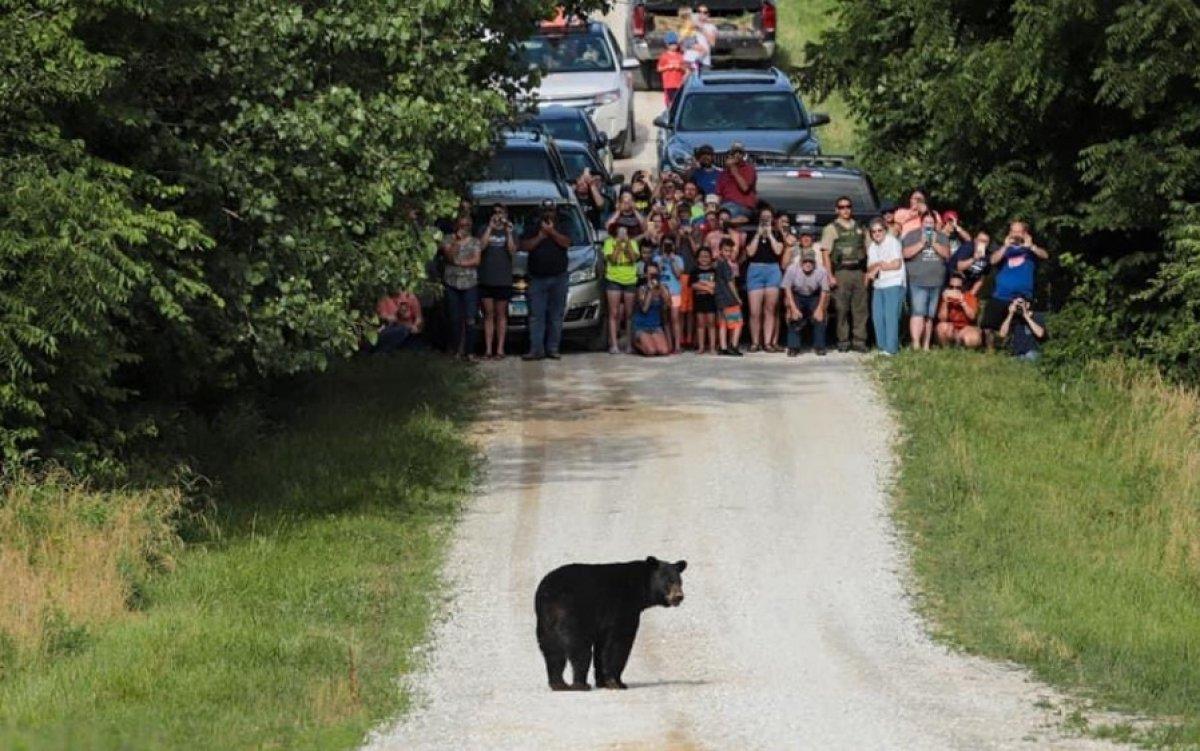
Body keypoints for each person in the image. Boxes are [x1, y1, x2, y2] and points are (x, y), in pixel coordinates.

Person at [981, 221, 1050, 350]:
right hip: (1000, 295)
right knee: (988, 326)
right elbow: (992, 260)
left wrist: (1031, 247)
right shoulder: (1006, 249)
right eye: (1013, 231)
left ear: (1025, 233)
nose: (1015, 234)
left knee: (1019, 326)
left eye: (1018, 231)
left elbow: (1045, 255)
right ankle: (990, 352)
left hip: (1021, 296)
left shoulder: (1030, 251)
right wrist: (1004, 247)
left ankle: (1015, 350)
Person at [520, 201, 572, 361]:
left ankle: (553, 349)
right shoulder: (533, 226)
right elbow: (524, 246)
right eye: (545, 210)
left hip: (559, 277)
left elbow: (567, 243)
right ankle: (536, 349)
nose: (548, 213)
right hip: (537, 278)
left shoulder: (564, 224)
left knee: (556, 315)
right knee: (536, 316)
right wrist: (541, 235)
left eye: (551, 210)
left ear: (555, 211)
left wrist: (552, 232)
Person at [820, 195, 870, 352]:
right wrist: (830, 275)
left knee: (860, 309)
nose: (845, 210)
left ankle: (859, 341)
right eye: (841, 207)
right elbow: (825, 253)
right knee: (841, 308)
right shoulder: (831, 228)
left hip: (858, 271)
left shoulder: (860, 228)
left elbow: (869, 251)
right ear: (837, 210)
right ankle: (843, 341)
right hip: (841, 272)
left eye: (848, 206)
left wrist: (868, 272)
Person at [902, 213, 951, 350]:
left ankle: (926, 345)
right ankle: (916, 344)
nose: (928, 225)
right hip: (917, 280)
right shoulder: (912, 235)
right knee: (918, 312)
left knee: (930, 315)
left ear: (935, 224)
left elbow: (947, 255)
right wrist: (921, 243)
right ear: (921, 222)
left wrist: (934, 243)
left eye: (931, 222)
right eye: (926, 222)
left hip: (936, 282)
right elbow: (905, 254)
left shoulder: (941, 237)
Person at [478, 205, 517, 359]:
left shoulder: (510, 230)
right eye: (495, 213)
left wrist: (508, 232)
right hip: (487, 278)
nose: (498, 215)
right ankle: (488, 349)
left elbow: (512, 250)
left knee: (501, 314)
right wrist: (490, 227)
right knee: (488, 314)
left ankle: (500, 349)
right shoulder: (484, 229)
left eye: (501, 213)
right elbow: (481, 246)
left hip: (503, 279)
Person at [744, 207, 785, 352]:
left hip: (772, 269)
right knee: (755, 311)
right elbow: (750, 252)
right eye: (763, 217)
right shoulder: (751, 232)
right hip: (755, 269)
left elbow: (778, 251)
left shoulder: (777, 233)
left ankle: (767, 342)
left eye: (769, 217)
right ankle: (755, 342)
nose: (766, 219)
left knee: (770, 309)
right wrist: (758, 234)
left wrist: (770, 235)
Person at [442, 214, 481, 360]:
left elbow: (476, 260)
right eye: (462, 225)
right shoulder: (448, 239)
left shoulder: (475, 241)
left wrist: (459, 263)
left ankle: (470, 351)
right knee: (455, 318)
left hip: (470, 283)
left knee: (470, 318)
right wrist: (457, 243)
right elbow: (449, 257)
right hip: (452, 283)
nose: (464, 228)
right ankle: (456, 350)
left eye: (467, 226)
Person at [865, 217, 905, 355]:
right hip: (879, 284)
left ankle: (892, 349)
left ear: (885, 230)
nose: (877, 233)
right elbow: (870, 266)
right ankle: (882, 346)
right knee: (877, 316)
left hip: (894, 282)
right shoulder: (872, 246)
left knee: (891, 316)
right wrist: (881, 265)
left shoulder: (892, 242)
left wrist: (879, 265)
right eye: (873, 231)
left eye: (879, 230)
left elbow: (896, 264)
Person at [781, 249, 831, 356]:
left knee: (820, 316)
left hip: (814, 295)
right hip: (797, 294)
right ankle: (793, 346)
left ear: (814, 263)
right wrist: (793, 308)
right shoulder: (792, 269)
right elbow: (787, 289)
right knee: (793, 316)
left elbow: (824, 290)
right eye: (805, 262)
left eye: (810, 262)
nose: (808, 264)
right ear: (801, 262)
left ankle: (819, 346)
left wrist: (820, 308)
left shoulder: (821, 270)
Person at [604, 226, 640, 354]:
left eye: (625, 232)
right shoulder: (609, 242)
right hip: (613, 278)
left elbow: (634, 258)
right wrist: (619, 245)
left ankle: (629, 344)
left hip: (630, 279)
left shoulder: (633, 243)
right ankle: (614, 344)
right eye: (620, 232)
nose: (622, 234)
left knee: (629, 314)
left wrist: (628, 244)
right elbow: (612, 259)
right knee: (614, 313)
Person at [632, 261, 673, 356]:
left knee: (663, 351)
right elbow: (644, 309)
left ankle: (651, 341)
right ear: (646, 275)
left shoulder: (663, 288)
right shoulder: (641, 289)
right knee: (651, 351)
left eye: (655, 274)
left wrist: (664, 293)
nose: (653, 277)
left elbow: (667, 308)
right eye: (651, 274)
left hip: (655, 326)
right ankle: (636, 344)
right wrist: (650, 291)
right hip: (641, 326)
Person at [654, 237, 686, 352]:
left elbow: (678, 274)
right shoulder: (657, 258)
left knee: (675, 318)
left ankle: (677, 345)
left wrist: (672, 261)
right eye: (665, 245)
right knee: (665, 319)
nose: (667, 247)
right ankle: (669, 344)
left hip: (674, 291)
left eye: (670, 245)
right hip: (662, 291)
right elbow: (656, 273)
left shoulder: (678, 259)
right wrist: (662, 261)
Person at [935, 272, 982, 349]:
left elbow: (972, 317)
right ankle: (946, 349)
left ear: (963, 287)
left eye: (958, 287)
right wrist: (945, 302)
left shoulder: (969, 296)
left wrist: (963, 302)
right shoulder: (944, 296)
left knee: (973, 339)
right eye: (951, 287)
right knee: (942, 327)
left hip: (965, 327)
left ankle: (963, 347)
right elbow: (942, 319)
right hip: (951, 327)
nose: (954, 289)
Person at [714, 237, 744, 356]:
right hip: (728, 298)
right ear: (720, 250)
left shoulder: (717, 264)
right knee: (737, 322)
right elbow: (730, 282)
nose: (728, 253)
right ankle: (733, 345)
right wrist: (737, 298)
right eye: (726, 250)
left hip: (719, 297)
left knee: (723, 322)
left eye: (730, 251)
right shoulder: (725, 265)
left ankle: (723, 346)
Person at [716, 143, 757, 225]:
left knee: (727, 214)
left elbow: (745, 188)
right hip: (725, 206)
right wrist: (714, 209)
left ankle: (730, 223)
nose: (737, 155)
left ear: (744, 155)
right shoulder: (723, 173)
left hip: (743, 206)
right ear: (730, 154)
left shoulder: (749, 169)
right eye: (734, 152)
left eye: (740, 152)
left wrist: (733, 169)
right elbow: (719, 195)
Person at [375, 288, 423, 353]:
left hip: (410, 331)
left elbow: (418, 318)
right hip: (392, 329)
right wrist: (397, 315)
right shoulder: (384, 298)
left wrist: (415, 325)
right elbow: (383, 316)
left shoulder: (410, 297)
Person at [999, 295, 1047, 360]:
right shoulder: (1014, 318)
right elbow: (1002, 334)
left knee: (1030, 355)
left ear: (1028, 305)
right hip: (1018, 354)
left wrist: (1026, 316)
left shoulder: (1037, 316)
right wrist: (1010, 314)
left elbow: (1040, 333)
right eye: (1016, 303)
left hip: (1033, 352)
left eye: (1021, 303)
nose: (1019, 306)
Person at [690, 246, 719, 354]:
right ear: (697, 258)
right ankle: (701, 347)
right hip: (699, 301)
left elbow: (715, 285)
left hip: (711, 301)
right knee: (700, 324)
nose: (704, 258)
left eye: (707, 256)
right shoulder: (695, 271)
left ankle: (712, 347)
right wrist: (707, 287)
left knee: (711, 324)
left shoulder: (714, 271)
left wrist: (702, 283)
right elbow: (693, 285)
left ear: (711, 258)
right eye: (701, 256)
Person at [952, 229, 993, 296]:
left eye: (985, 241)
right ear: (975, 240)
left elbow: (982, 276)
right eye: (980, 240)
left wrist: (973, 292)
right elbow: (959, 267)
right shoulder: (967, 248)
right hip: (954, 285)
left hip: (969, 288)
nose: (982, 243)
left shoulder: (988, 256)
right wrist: (974, 259)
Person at [657, 32, 688, 106]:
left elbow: (685, 69)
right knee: (670, 102)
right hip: (669, 84)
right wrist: (668, 67)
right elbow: (659, 68)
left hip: (679, 83)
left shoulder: (680, 56)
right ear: (667, 45)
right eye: (671, 44)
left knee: (678, 101)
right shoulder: (664, 56)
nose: (674, 46)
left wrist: (680, 67)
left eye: (675, 44)